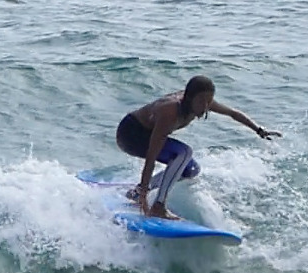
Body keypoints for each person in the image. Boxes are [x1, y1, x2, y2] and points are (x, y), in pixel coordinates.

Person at [115, 75, 280, 219]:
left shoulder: (203, 103)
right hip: (130, 134)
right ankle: (158, 205)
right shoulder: (169, 111)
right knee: (184, 152)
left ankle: (136, 194)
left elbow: (233, 113)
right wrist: (145, 191)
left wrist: (259, 130)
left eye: (209, 100)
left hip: (145, 136)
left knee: (190, 169)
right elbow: (151, 157)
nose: (206, 106)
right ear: (189, 97)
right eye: (202, 101)